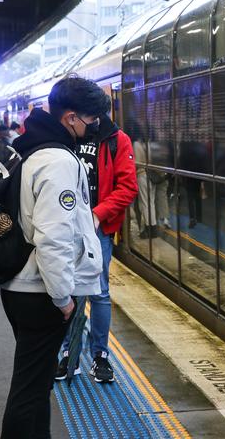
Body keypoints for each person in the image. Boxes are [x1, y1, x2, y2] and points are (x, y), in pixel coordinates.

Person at [0, 75, 107, 439]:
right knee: (29, 389)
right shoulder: (58, 161)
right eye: (91, 121)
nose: (94, 128)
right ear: (71, 118)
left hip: (20, 285)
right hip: (39, 292)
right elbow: (54, 237)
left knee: (37, 383)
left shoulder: (30, 147)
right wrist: (62, 298)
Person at [56, 111, 138, 383]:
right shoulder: (63, 135)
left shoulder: (116, 140)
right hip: (66, 225)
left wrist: (99, 213)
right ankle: (69, 352)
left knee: (99, 291)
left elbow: (128, 187)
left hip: (98, 228)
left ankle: (100, 355)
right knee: (66, 287)